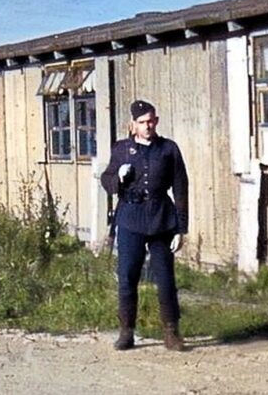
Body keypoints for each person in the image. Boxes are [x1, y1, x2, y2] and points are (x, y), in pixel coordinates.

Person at [101, 100, 189, 352]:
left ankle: (171, 332)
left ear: (156, 121)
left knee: (165, 278)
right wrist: (118, 177)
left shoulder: (168, 149)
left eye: (150, 121)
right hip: (130, 219)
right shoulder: (121, 149)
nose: (147, 126)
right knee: (127, 277)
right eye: (142, 122)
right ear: (133, 125)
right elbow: (106, 180)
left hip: (162, 220)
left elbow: (181, 188)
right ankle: (126, 332)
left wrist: (181, 228)